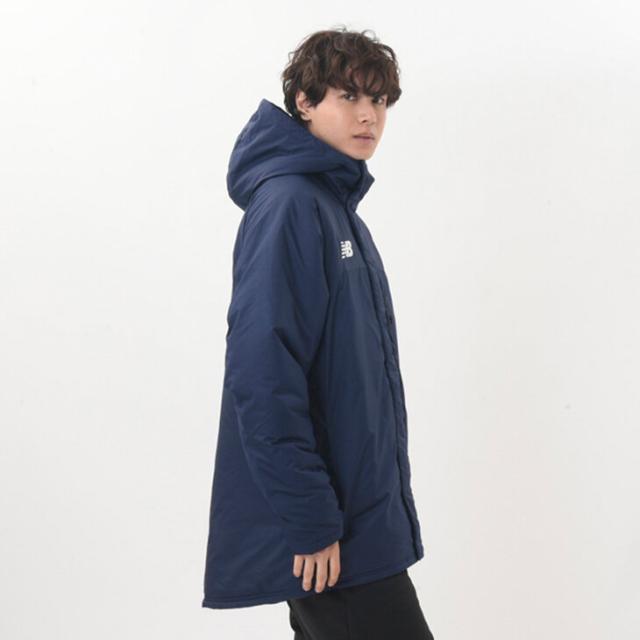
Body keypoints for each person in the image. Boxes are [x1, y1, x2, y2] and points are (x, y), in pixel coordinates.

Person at [202, 26, 435, 639]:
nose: (368, 116)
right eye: (348, 96)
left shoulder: (333, 207)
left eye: (378, 100)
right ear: (304, 102)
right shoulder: (290, 206)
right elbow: (261, 374)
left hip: (354, 522)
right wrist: (310, 518)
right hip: (333, 536)